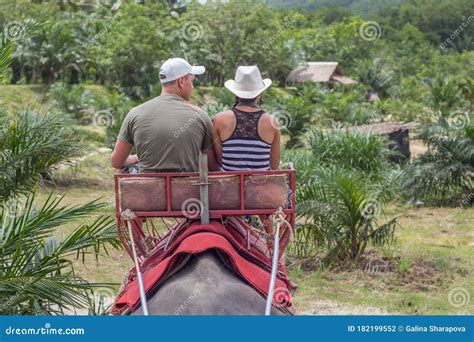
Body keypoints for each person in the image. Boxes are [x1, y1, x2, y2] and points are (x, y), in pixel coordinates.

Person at [111, 57, 218, 172]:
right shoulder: (199, 115)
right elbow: (212, 166)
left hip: (146, 188)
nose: (192, 87)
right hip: (188, 189)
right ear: (181, 81)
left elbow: (116, 162)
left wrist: (136, 157)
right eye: (191, 82)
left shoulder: (135, 113)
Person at [212, 65, 281, 234]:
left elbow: (220, 159)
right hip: (260, 195)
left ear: (235, 93)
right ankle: (271, 245)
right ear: (259, 94)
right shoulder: (272, 122)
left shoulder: (219, 120)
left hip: (228, 193)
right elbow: (274, 166)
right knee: (268, 215)